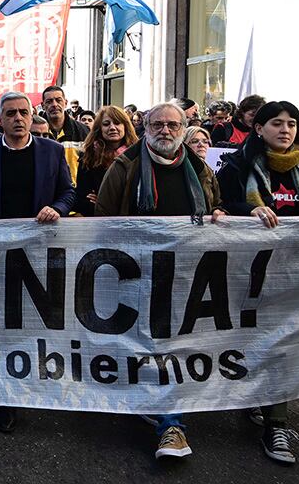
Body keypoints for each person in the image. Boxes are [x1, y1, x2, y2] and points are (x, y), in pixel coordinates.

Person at [95, 102, 223, 460]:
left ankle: (169, 421)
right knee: (151, 344)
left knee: (170, 346)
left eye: (173, 124)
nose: (165, 130)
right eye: (158, 124)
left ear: (184, 128)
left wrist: (218, 214)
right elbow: (103, 219)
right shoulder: (125, 166)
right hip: (135, 274)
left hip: (186, 275)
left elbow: (217, 206)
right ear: (145, 127)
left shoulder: (200, 169)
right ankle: (170, 423)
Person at [215, 101, 299, 464]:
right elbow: (221, 204)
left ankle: (276, 424)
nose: (286, 130)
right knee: (253, 342)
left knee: (283, 344)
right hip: (250, 274)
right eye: (277, 123)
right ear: (258, 128)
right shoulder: (236, 165)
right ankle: (255, 398)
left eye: (292, 123)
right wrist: (249, 211)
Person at [0, 91, 75, 432]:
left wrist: (56, 208)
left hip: (38, 251)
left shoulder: (53, 151)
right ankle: (3, 396)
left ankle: (30, 383)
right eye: (10, 113)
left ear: (31, 115)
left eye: (23, 112)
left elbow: (68, 192)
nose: (17, 118)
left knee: (33, 320)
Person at [74, 106, 138, 217]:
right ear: (99, 128)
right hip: (99, 221)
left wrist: (103, 200)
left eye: (117, 123)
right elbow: (83, 199)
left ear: (126, 126)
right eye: (106, 124)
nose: (112, 128)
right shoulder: (89, 157)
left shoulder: (137, 155)